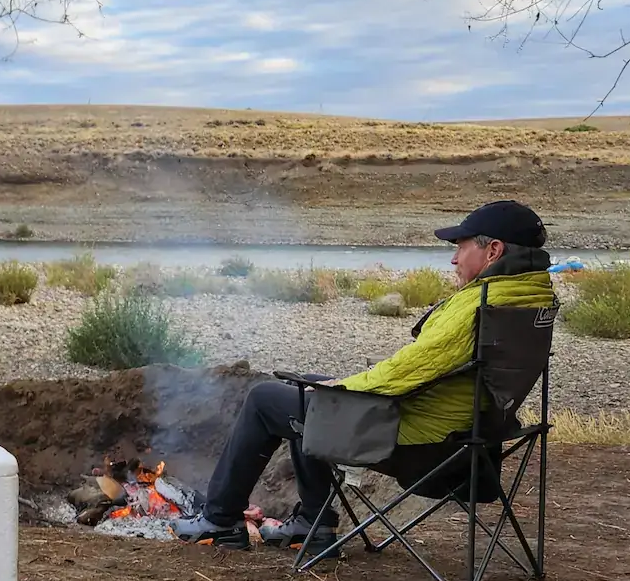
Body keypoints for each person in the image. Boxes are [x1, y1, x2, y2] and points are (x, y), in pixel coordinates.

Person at [171, 200, 558, 551]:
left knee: (265, 399)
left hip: (422, 443)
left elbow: (410, 369)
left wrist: (342, 387)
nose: (454, 259)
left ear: (493, 250)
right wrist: (331, 388)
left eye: (461, 247)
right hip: (475, 436)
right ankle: (313, 523)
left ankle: (220, 520)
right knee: (307, 389)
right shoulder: (531, 298)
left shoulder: (479, 304)